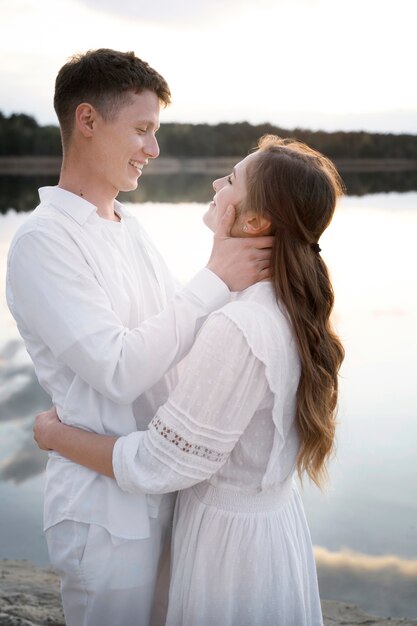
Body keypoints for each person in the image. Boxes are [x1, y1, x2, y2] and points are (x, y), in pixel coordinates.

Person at [6, 49, 273, 626]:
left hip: (166, 488)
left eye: (156, 133)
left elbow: (179, 343)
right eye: (143, 130)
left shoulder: (131, 228)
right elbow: (119, 367)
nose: (153, 150)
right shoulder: (42, 242)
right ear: (88, 120)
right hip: (103, 515)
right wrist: (214, 277)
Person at [34, 135, 345, 625]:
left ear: (256, 221)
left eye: (231, 180)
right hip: (267, 531)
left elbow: (159, 462)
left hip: (231, 554)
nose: (216, 184)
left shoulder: (240, 325)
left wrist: (55, 436)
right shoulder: (281, 306)